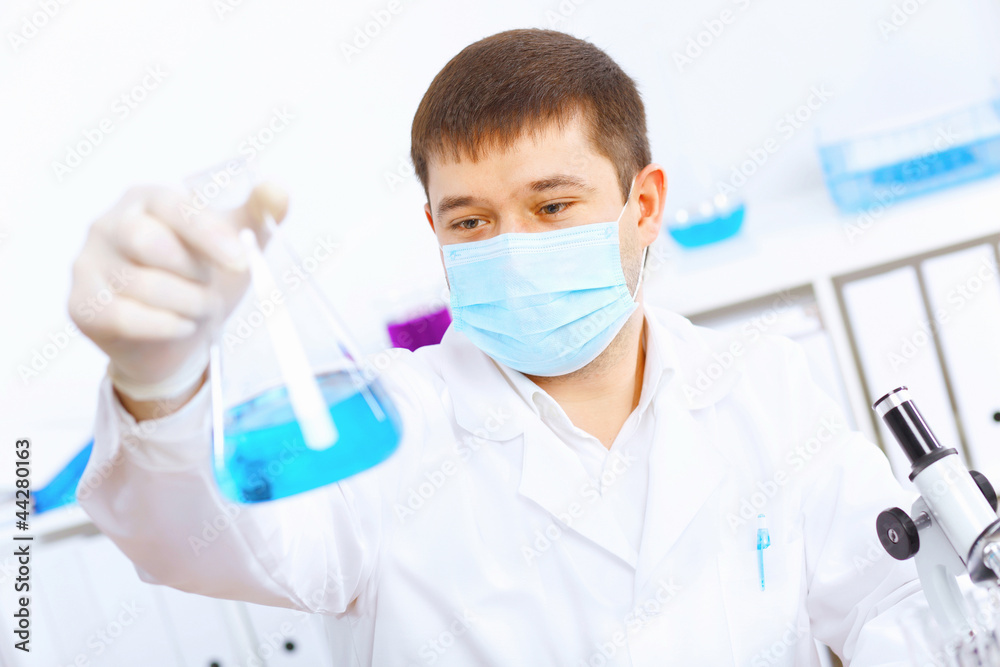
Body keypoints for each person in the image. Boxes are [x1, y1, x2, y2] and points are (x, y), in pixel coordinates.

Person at [69, 28, 924, 666]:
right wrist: (159, 381)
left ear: (644, 205)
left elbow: (898, 600)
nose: (510, 247)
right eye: (472, 221)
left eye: (552, 206)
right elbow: (201, 537)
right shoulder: (390, 432)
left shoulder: (763, 384)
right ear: (435, 229)